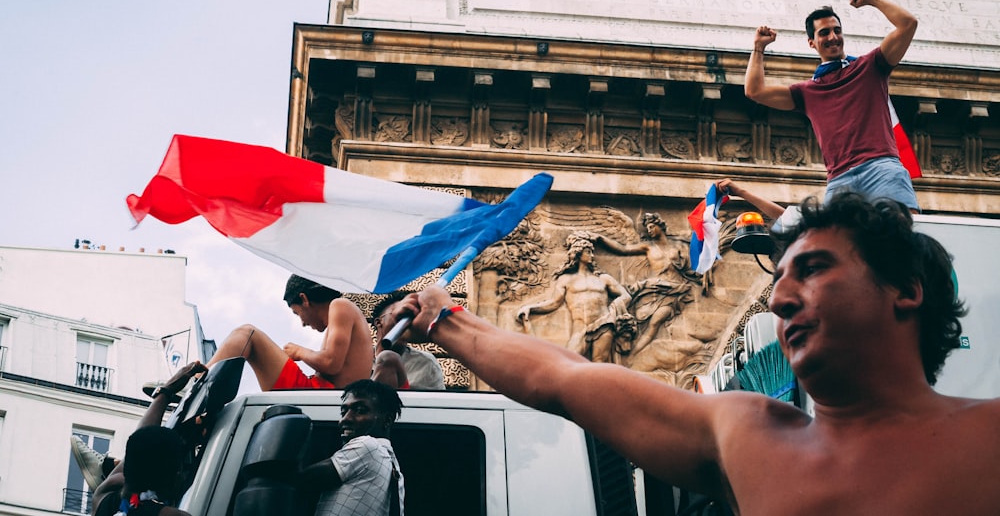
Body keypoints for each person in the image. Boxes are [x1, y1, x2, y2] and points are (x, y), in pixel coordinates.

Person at [386, 192, 1000, 514]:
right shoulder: (748, 434)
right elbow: (564, 378)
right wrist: (446, 323)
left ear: (907, 292)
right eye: (780, 276)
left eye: (812, 269)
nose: (781, 297)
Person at [744, 0, 920, 211]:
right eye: (824, 33)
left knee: (900, 236)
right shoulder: (807, 92)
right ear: (812, 42)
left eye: (837, 30)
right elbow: (754, 91)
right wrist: (759, 47)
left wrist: (872, 0)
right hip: (840, 181)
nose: (833, 37)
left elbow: (908, 24)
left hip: (881, 168)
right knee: (837, 244)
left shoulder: (870, 66)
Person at [204, 275, 373, 391]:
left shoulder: (340, 305)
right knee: (246, 335)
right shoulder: (343, 315)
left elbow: (331, 362)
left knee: (247, 334)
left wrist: (300, 352)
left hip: (319, 394)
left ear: (305, 300)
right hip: (323, 394)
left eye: (297, 313)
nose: (303, 323)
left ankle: (197, 380)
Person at [92, 362, 206, 516]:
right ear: (171, 477)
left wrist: (165, 392)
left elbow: (140, 447)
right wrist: (166, 391)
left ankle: (108, 464)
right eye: (179, 469)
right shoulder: (173, 515)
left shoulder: (103, 500)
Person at [517, 232, 635, 363]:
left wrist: (613, 309)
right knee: (568, 361)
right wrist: (531, 308)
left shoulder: (603, 279)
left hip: (604, 324)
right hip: (580, 328)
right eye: (588, 252)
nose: (592, 255)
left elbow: (625, 296)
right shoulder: (566, 280)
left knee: (599, 363)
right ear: (579, 254)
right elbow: (554, 303)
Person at [594, 213, 701, 355]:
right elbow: (623, 249)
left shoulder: (679, 245)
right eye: (647, 228)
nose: (649, 230)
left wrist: (704, 274)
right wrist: (601, 239)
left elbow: (693, 265)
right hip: (653, 288)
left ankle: (634, 353)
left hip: (675, 290)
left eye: (652, 226)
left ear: (660, 226)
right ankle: (627, 348)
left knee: (655, 322)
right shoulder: (648, 247)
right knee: (638, 316)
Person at [299, 379, 405, 516]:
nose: (345, 419)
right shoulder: (394, 468)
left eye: (360, 410)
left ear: (387, 420)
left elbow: (299, 482)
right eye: (343, 412)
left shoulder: (367, 446)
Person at [371, 293, 445, 390]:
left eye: (409, 318)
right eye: (399, 315)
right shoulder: (358, 358)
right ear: (379, 322)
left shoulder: (425, 363)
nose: (405, 323)